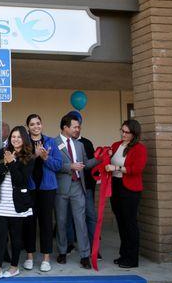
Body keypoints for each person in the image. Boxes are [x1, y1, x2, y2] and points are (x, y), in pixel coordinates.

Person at [0, 126, 35, 282]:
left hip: (17, 203)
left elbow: (21, 180)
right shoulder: (3, 152)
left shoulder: (29, 157)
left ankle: (14, 267)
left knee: (16, 237)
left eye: (19, 137)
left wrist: (12, 163)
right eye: (13, 136)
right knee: (0, 236)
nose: (16, 139)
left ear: (24, 139)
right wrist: (6, 164)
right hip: (1, 201)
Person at [54, 114, 98, 269]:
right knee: (61, 221)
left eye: (78, 127)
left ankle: (85, 255)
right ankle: (62, 252)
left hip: (78, 186)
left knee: (81, 221)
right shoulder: (54, 143)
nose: (78, 129)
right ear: (65, 127)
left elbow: (85, 163)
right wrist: (69, 167)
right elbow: (52, 164)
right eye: (75, 127)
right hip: (61, 188)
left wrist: (100, 158)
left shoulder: (79, 145)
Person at [22, 114, 62, 272]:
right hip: (31, 189)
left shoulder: (51, 142)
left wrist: (46, 158)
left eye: (38, 123)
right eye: (32, 124)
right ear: (28, 127)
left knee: (46, 223)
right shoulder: (24, 143)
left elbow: (58, 165)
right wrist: (35, 155)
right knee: (29, 223)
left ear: (42, 125)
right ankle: (29, 257)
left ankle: (46, 258)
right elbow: (22, 165)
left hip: (47, 189)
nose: (35, 126)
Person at [107, 120, 147, 268]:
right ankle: (124, 254)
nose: (123, 134)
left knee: (130, 223)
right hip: (116, 186)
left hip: (130, 189)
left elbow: (136, 169)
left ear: (134, 133)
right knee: (121, 222)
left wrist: (115, 167)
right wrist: (107, 156)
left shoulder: (139, 148)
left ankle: (132, 258)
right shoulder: (116, 145)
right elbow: (107, 160)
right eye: (122, 131)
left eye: (127, 132)